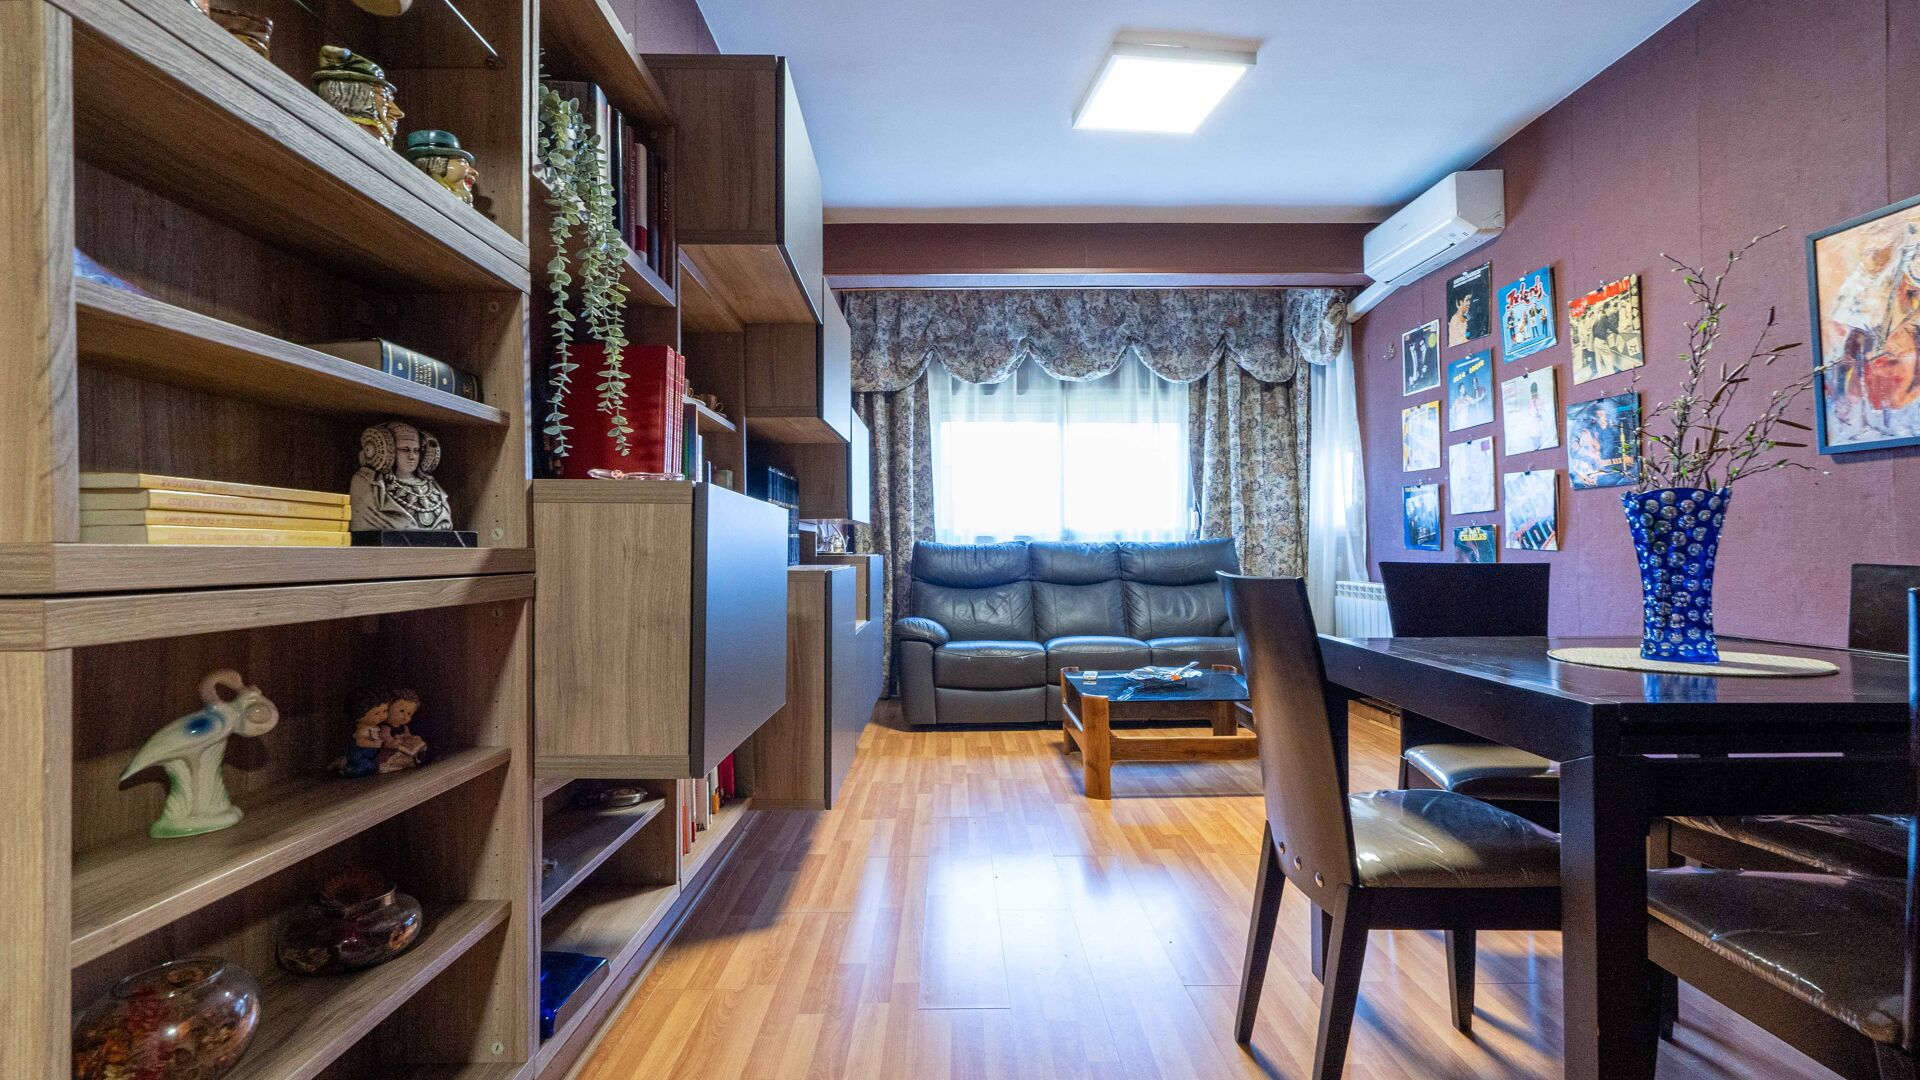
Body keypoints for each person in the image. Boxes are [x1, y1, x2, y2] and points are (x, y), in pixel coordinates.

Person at [351, 421, 454, 531]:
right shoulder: (369, 483)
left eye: (416, 450)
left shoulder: (433, 485)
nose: (412, 456)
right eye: (405, 450)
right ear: (389, 451)